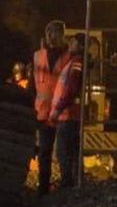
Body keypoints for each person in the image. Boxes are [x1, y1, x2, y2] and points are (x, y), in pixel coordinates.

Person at [30, 19, 70, 196]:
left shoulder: (70, 56)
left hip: (62, 113)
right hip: (44, 113)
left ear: (62, 35)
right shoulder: (37, 56)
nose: (51, 36)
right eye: (49, 32)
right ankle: (43, 188)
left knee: (63, 152)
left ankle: (66, 187)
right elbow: (32, 85)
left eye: (55, 32)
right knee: (45, 152)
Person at [49, 32, 84, 189]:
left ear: (80, 45)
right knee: (72, 151)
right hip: (69, 114)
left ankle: (67, 184)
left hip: (68, 114)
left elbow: (70, 89)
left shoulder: (76, 62)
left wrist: (58, 109)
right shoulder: (72, 61)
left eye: (73, 42)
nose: (70, 44)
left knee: (63, 152)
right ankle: (75, 184)